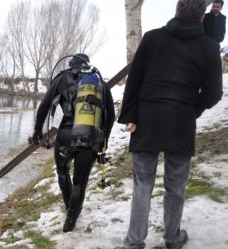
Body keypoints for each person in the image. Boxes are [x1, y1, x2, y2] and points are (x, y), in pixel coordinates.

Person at [115, 0, 224, 248]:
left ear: (176, 12)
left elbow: (135, 80)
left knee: (142, 185)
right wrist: (190, 110)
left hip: (147, 121)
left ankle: (133, 243)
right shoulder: (209, 46)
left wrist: (130, 116)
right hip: (181, 125)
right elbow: (214, 93)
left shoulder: (152, 38)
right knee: (175, 187)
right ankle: (173, 238)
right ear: (202, 17)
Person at [32, 53, 115, 233]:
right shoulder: (99, 81)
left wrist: (37, 132)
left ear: (71, 64)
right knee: (80, 182)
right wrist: (103, 142)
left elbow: (44, 106)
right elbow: (111, 115)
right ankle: (70, 221)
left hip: (65, 137)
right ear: (88, 64)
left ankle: (69, 207)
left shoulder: (61, 78)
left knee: (63, 171)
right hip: (90, 138)